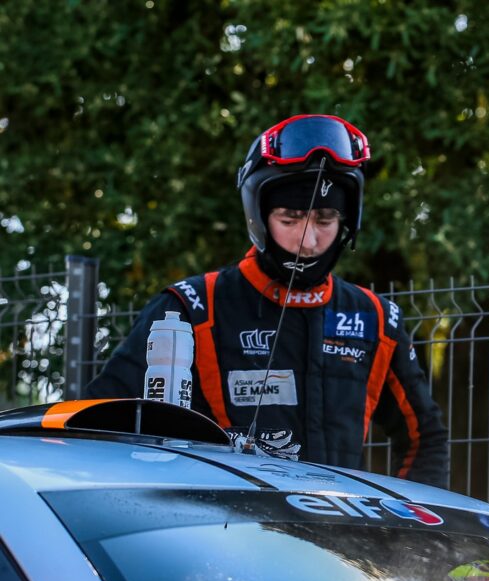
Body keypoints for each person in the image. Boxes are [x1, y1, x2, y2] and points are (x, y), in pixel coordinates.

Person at [86, 114, 449, 488]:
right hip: (217, 519)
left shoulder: (376, 318)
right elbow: (98, 419)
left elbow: (426, 439)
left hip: (336, 522)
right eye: (290, 219)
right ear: (258, 215)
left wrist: (403, 521)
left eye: (325, 219)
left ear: (347, 219)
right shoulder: (191, 307)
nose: (309, 241)